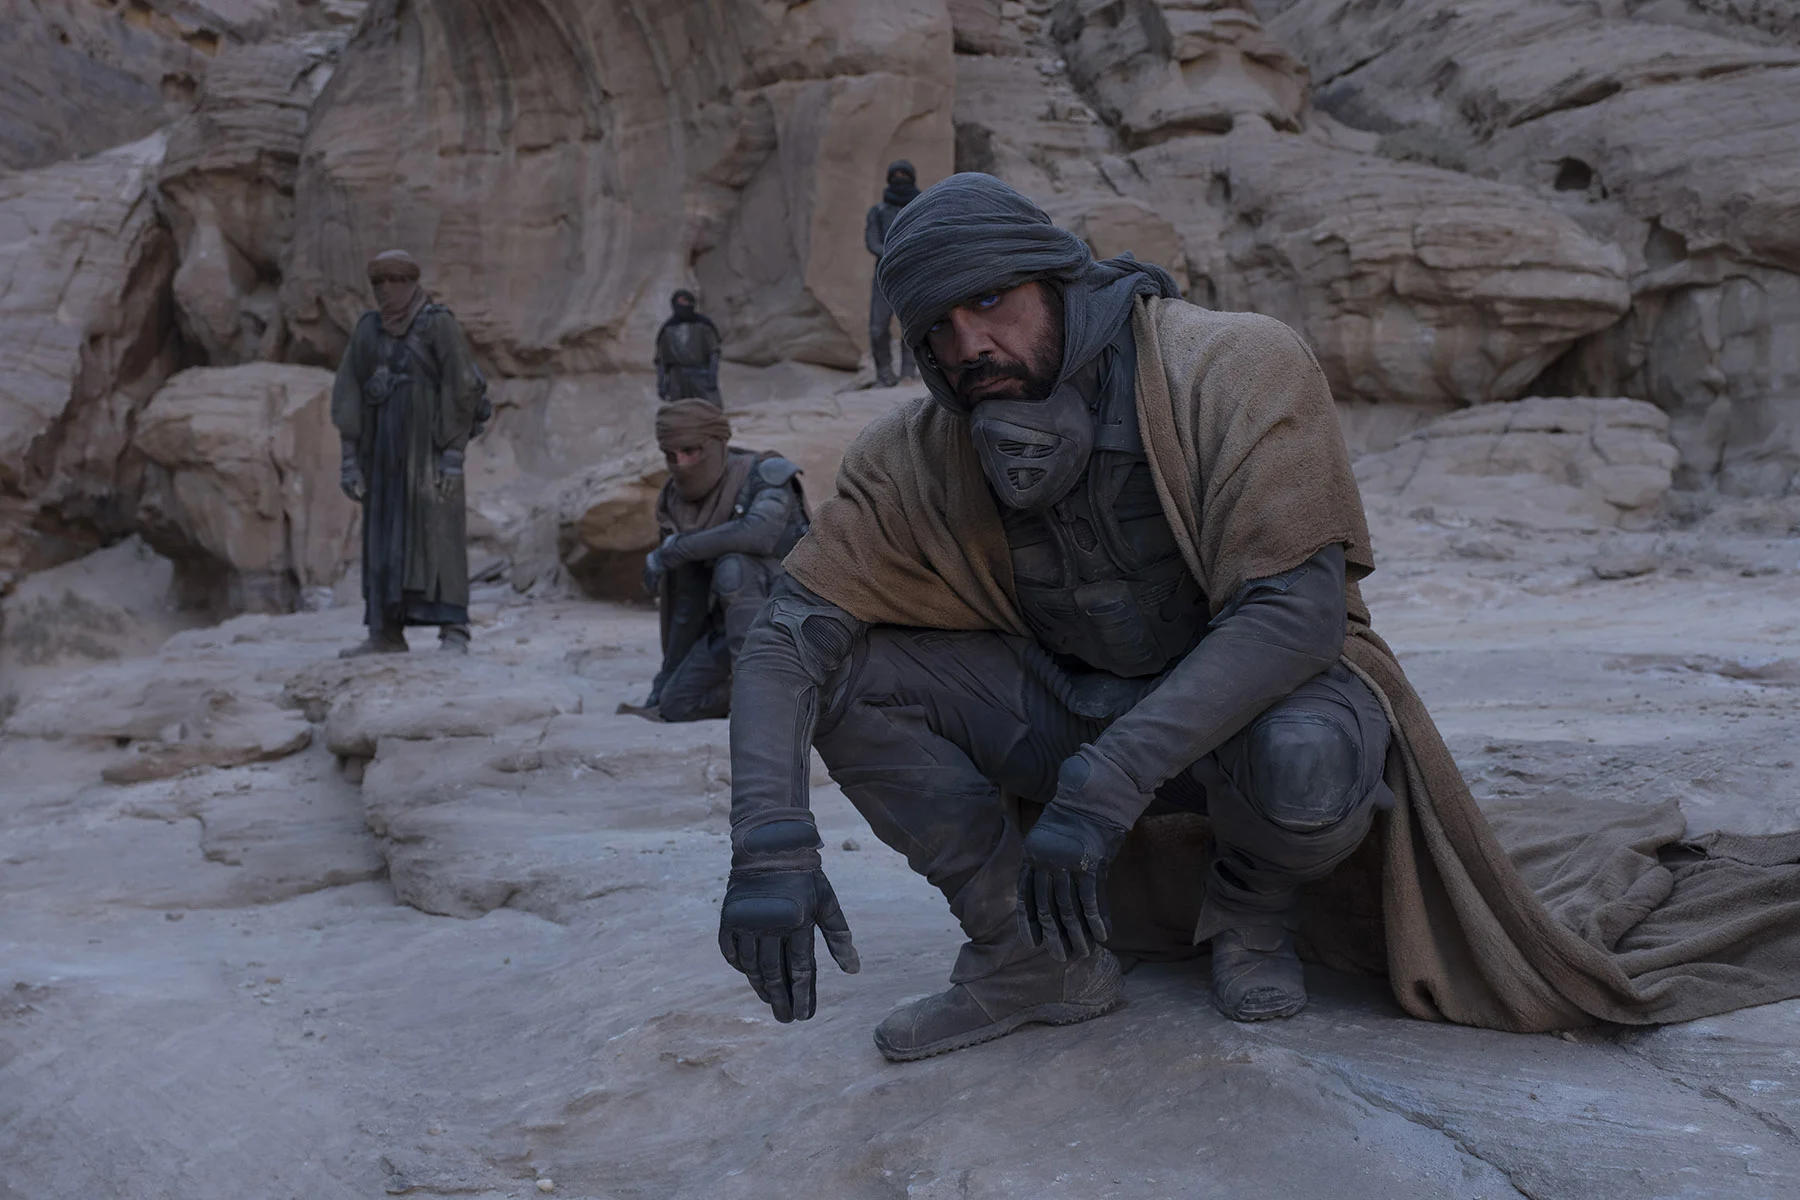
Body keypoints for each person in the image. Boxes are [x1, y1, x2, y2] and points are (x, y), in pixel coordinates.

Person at [714, 173, 1800, 1064]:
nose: (970, 347)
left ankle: (1252, 911)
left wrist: (1106, 781)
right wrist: (768, 846)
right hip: (1066, 707)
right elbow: (789, 634)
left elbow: (1297, 613)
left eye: (992, 303)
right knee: (853, 677)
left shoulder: (1227, 364)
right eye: (939, 330)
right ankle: (1030, 955)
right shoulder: (918, 448)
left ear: (1059, 279)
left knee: (1313, 753)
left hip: (1248, 716)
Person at [332, 249, 490, 657]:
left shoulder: (438, 325)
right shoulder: (368, 329)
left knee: (439, 533)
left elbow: (462, 386)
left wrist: (452, 454)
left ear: (412, 282)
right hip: (382, 452)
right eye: (379, 281)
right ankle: (384, 633)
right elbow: (348, 391)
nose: (387, 289)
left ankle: (454, 629)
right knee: (383, 537)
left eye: (396, 279)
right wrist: (350, 459)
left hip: (430, 449)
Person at [637, 399, 808, 722]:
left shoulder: (765, 475)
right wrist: (664, 680)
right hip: (728, 627)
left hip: (792, 620)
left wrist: (673, 550)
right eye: (672, 456)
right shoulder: (677, 500)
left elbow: (757, 534)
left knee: (734, 566)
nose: (682, 462)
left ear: (716, 442)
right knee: (676, 704)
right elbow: (686, 604)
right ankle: (764, 693)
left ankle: (765, 696)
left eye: (691, 451)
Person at [864, 160, 921, 388]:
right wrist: (891, 254)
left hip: (913, 272)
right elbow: (871, 241)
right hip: (884, 274)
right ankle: (884, 374)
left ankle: (909, 371)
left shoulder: (920, 207)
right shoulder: (878, 211)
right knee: (877, 327)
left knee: (913, 324)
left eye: (903, 174)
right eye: (895, 174)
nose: (899, 178)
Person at [655, 290, 723, 406]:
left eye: (685, 301)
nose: (682, 305)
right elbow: (661, 360)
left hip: (701, 375)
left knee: (710, 410)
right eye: (679, 302)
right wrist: (662, 384)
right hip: (677, 379)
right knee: (680, 413)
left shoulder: (704, 325)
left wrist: (712, 377)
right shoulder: (667, 329)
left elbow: (714, 352)